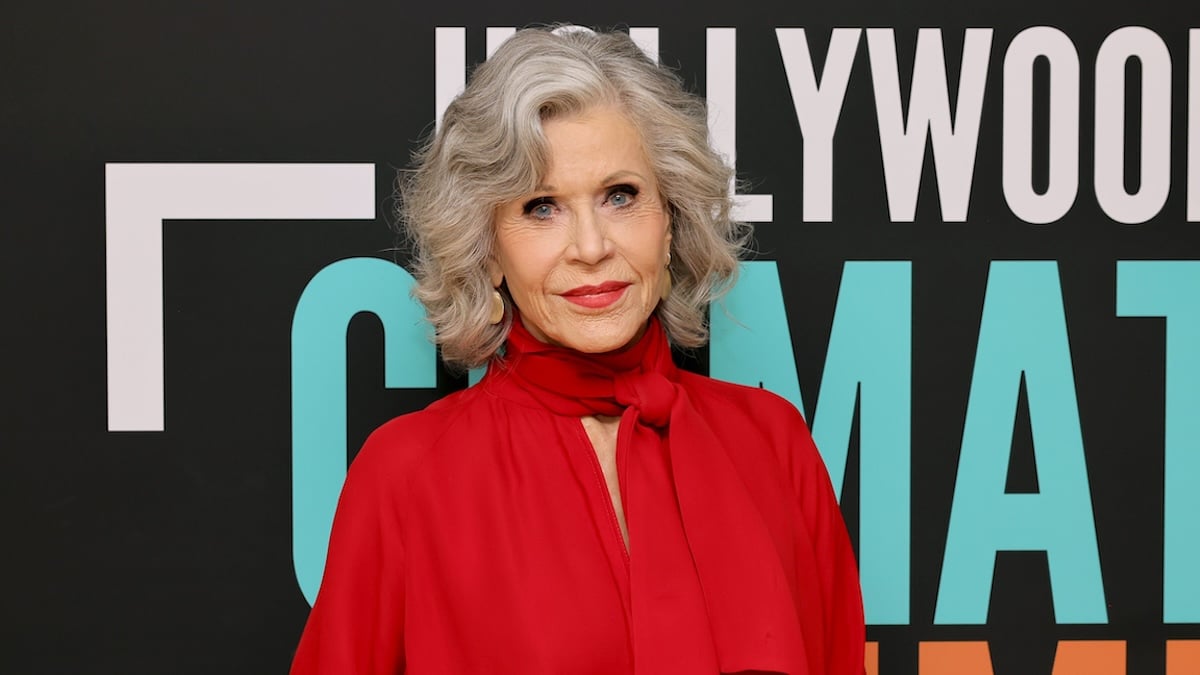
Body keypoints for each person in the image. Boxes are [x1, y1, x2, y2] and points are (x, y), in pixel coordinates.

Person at [290, 25, 865, 675]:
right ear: (489, 247)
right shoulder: (405, 478)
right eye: (542, 207)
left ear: (670, 215)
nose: (591, 246)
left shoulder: (773, 446)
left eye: (620, 195)